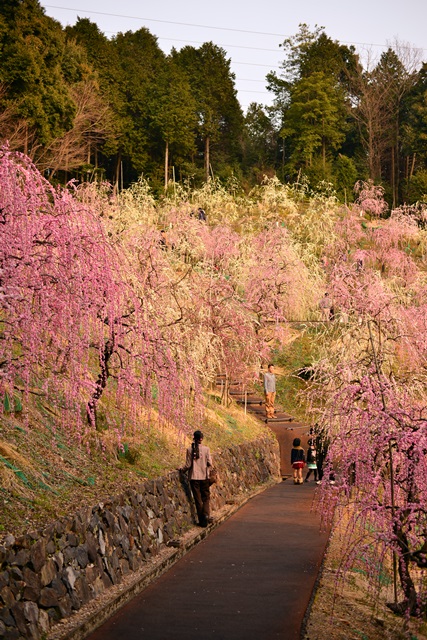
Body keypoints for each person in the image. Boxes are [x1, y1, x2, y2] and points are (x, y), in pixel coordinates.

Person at [182, 430, 213, 527]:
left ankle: (202, 520)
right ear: (201, 439)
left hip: (194, 478)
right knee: (206, 498)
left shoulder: (190, 450)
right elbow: (210, 463)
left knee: (198, 499)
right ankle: (206, 515)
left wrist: (182, 470)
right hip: (205, 477)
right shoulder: (206, 449)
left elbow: (188, 465)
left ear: (193, 438)